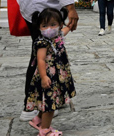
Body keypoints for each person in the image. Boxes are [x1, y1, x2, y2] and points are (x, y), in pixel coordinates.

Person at [25, 8, 76, 136]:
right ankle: (45, 130)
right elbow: (40, 60)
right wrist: (43, 77)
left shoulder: (57, 36)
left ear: (59, 24)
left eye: (53, 25)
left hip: (58, 76)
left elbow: (64, 31)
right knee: (50, 103)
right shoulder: (42, 42)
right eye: (44, 25)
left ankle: (37, 120)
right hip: (48, 76)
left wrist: (70, 26)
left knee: (48, 100)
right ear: (39, 27)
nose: (49, 28)